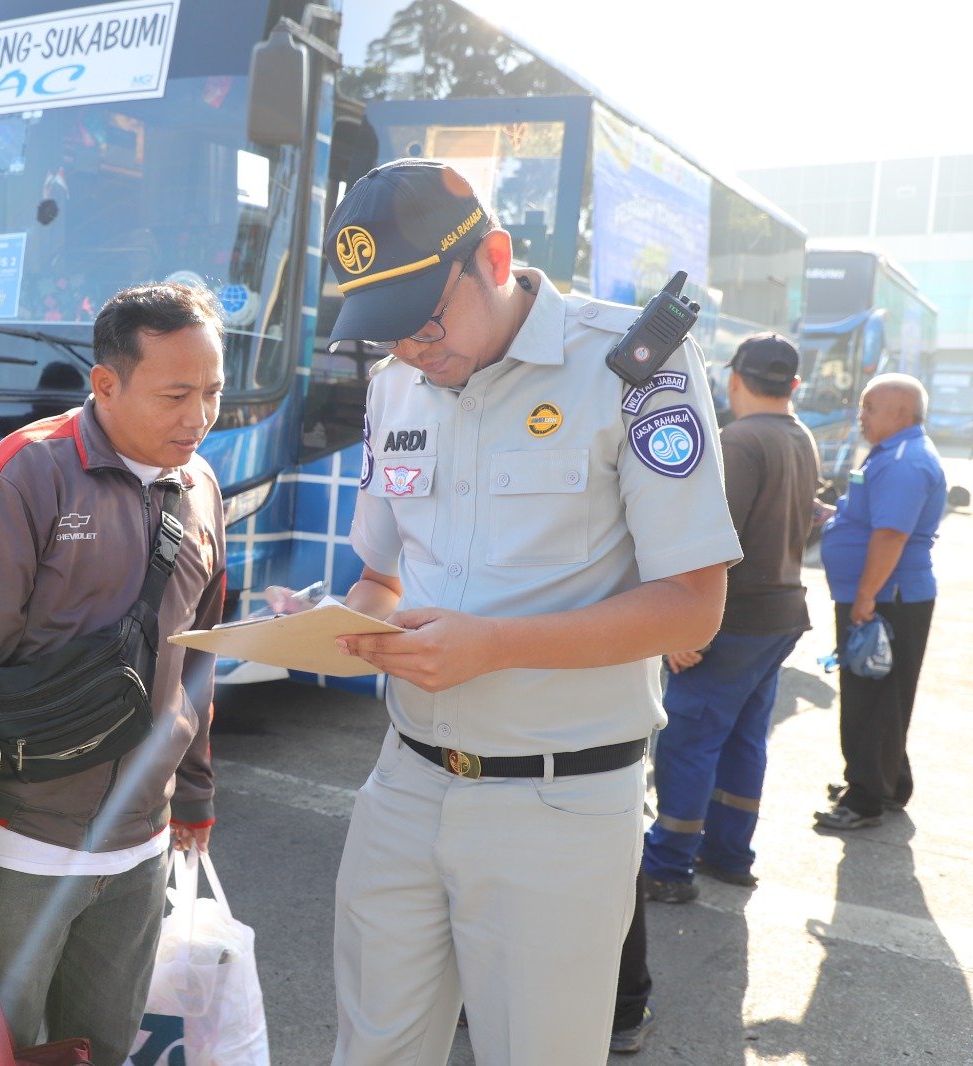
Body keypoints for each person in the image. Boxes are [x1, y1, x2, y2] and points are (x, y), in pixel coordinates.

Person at [322, 159, 741, 1065]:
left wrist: (497, 646)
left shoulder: (630, 366)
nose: (412, 349)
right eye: (385, 330)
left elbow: (692, 608)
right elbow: (381, 576)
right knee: (371, 1048)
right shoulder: (394, 385)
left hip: (559, 801)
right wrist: (349, 623)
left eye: (426, 318)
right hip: (405, 782)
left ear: (495, 258)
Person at [0, 283, 227, 1065]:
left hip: (142, 844)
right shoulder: (23, 474)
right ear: (106, 384)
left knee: (102, 1047)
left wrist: (194, 791)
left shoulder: (200, 487)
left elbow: (199, 652)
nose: (198, 416)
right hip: (24, 845)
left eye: (212, 392)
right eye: (176, 394)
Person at [642, 334, 821, 899]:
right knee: (745, 737)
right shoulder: (801, 435)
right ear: (794, 384)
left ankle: (668, 864)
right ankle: (728, 852)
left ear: (735, 379)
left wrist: (687, 627)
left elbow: (715, 543)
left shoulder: (739, 440)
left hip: (733, 620)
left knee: (689, 740)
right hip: (780, 615)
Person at [815, 373, 946, 830]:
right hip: (882, 597)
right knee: (884, 698)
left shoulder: (905, 461)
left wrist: (865, 597)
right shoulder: (891, 452)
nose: (861, 416)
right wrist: (832, 515)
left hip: (886, 600)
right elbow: (870, 515)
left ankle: (865, 799)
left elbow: (891, 535)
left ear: (900, 414)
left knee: (870, 700)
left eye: (869, 408)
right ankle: (888, 784)